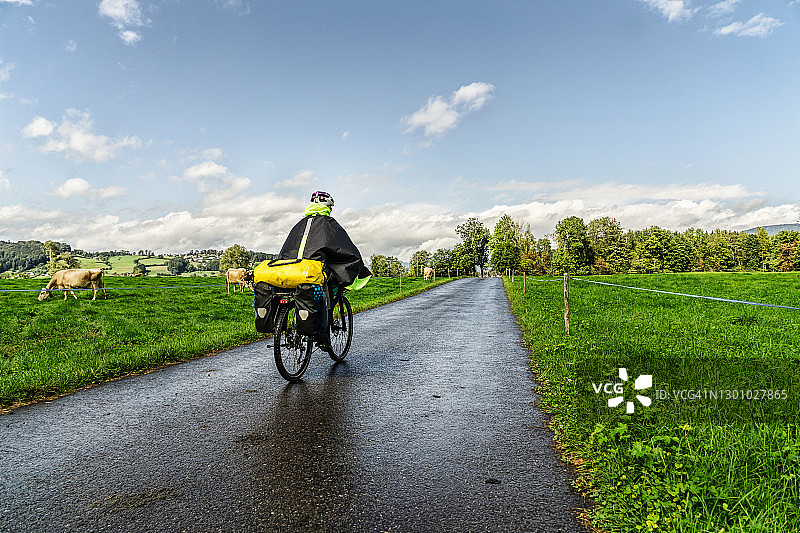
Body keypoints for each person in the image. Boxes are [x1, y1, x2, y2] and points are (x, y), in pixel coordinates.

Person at [276, 191, 371, 347]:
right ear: (328, 207)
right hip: (312, 272)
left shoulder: (300, 224)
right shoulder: (328, 224)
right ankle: (323, 335)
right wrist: (358, 264)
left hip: (290, 270)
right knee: (330, 292)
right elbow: (344, 247)